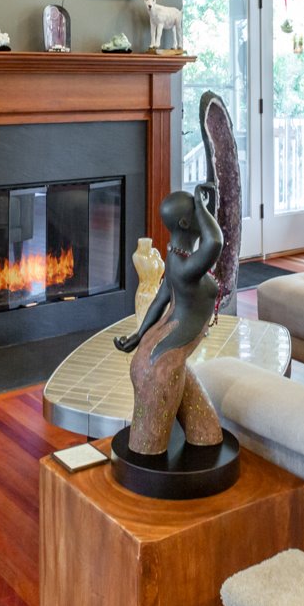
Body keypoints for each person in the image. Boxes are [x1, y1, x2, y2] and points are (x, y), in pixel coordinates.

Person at [114, 183, 225, 454]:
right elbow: (215, 242)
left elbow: (160, 298)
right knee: (147, 452)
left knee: (208, 435)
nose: (203, 214)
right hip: (161, 368)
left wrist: (138, 335)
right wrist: (200, 200)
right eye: (197, 211)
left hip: (166, 359)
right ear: (186, 223)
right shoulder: (184, 266)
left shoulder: (177, 257)